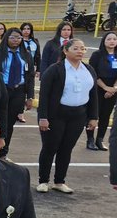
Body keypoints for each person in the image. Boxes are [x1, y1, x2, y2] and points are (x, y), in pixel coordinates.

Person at [36, 38, 98, 193]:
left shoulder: (88, 69)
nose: (80, 51)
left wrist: (93, 116)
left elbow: (93, 95)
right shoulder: (55, 69)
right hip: (56, 115)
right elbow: (44, 95)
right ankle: (43, 181)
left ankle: (59, 181)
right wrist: (43, 117)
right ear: (65, 51)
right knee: (50, 147)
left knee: (67, 148)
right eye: (76, 48)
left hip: (78, 115)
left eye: (83, 49)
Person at [0, 29, 35, 156]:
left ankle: (3, 151)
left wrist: (30, 96)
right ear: (6, 38)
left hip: (18, 91)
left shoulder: (25, 55)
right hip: (2, 89)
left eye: (18, 38)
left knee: (9, 123)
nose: (16, 40)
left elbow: (30, 76)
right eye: (12, 37)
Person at [86, 31, 117, 151]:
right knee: (94, 114)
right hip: (97, 89)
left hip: (113, 90)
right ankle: (90, 140)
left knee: (105, 116)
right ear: (104, 41)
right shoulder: (97, 55)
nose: (112, 41)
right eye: (109, 39)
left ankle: (100, 140)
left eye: (114, 39)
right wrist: (105, 87)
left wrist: (113, 88)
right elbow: (93, 73)